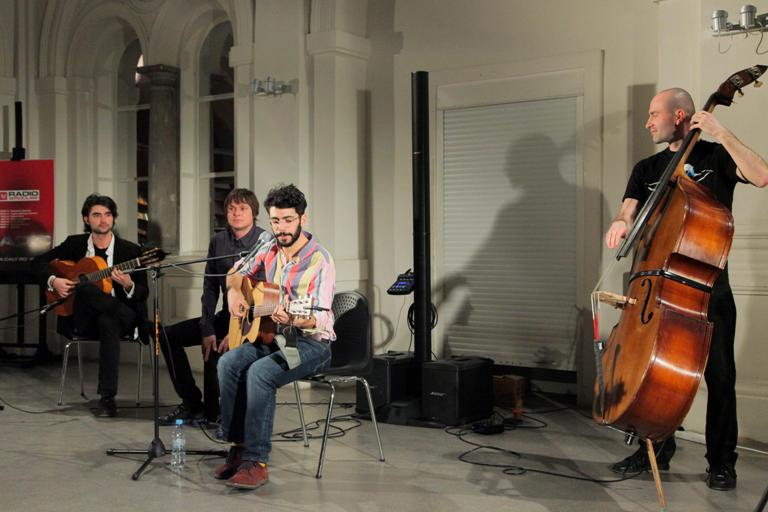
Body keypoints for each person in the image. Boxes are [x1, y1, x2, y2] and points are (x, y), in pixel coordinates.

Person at [605, 88, 768, 491]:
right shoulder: (647, 168)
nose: (647, 122)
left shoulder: (715, 157)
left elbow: (762, 175)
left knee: (720, 378)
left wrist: (721, 132)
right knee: (653, 375)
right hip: (657, 288)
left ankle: (722, 463)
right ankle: (655, 450)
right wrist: (621, 222)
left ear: (679, 115)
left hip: (708, 289)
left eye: (653, 114)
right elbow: (628, 210)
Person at [214, 184, 335, 490]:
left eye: (288, 220)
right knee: (228, 363)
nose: (281, 228)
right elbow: (235, 274)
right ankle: (239, 446)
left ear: (302, 219)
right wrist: (233, 295)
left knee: (260, 373)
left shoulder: (320, 260)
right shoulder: (268, 245)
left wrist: (293, 318)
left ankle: (257, 462)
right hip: (273, 335)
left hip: (311, 342)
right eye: (275, 221)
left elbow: (320, 318)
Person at [33, 194, 149, 417]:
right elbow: (38, 262)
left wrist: (129, 284)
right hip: (82, 319)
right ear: (87, 219)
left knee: (108, 321)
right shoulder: (74, 244)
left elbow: (143, 293)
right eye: (96, 215)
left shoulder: (131, 251)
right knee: (85, 288)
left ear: (113, 218)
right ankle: (129, 317)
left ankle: (107, 399)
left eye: (107, 214)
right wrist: (54, 281)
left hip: (115, 323)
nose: (103, 220)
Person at [157, 188, 264, 426]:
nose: (236, 213)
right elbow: (210, 287)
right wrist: (207, 328)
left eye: (243, 208)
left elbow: (262, 296)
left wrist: (234, 334)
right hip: (225, 316)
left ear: (254, 213)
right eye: (231, 209)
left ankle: (213, 414)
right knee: (167, 335)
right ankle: (192, 404)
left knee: (215, 351)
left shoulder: (264, 243)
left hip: (253, 322)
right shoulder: (219, 241)